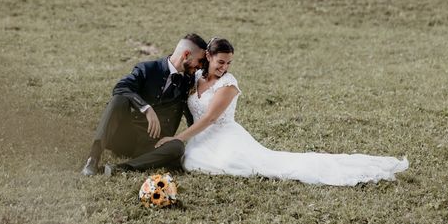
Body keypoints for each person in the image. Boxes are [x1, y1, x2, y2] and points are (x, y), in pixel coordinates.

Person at [155, 38, 409, 186]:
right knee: (192, 161)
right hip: (199, 137)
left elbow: (210, 118)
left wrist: (177, 139)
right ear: (207, 57)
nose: (224, 67)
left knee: (220, 164)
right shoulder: (196, 76)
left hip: (223, 136)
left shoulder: (228, 85)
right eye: (220, 62)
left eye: (229, 63)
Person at [81, 33, 207, 176]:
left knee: (177, 146)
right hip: (126, 138)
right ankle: (92, 159)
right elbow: (120, 88)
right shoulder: (147, 68)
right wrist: (146, 108)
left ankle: (121, 168)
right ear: (186, 54)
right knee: (119, 99)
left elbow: (192, 116)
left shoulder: (188, 82)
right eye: (200, 61)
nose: (201, 66)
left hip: (153, 145)